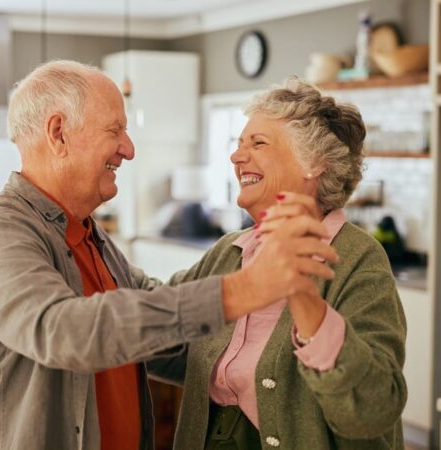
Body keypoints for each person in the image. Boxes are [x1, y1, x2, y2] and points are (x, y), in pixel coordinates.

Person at [0, 61, 338, 450]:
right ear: (58, 133)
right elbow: (65, 332)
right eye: (115, 130)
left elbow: (165, 338)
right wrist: (241, 291)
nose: (128, 150)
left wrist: (310, 361)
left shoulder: (89, 235)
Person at [165, 77, 407, 449]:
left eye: (258, 143)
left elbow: (373, 408)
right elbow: (163, 317)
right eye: (239, 144)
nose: (236, 156)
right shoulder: (229, 251)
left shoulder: (360, 260)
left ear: (314, 164)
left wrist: (305, 300)